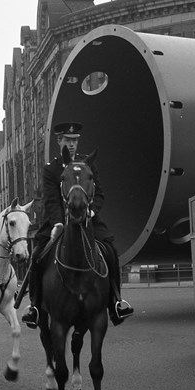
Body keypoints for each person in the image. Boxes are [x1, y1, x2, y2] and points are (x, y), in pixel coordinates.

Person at [21, 122, 133, 329]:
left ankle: (116, 302)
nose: (71, 144)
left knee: (110, 251)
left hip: (88, 219)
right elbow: (51, 200)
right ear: (59, 141)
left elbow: (99, 194)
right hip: (58, 221)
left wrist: (92, 211)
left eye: (75, 141)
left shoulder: (87, 164)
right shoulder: (51, 169)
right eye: (67, 140)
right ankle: (35, 306)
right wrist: (57, 223)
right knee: (37, 256)